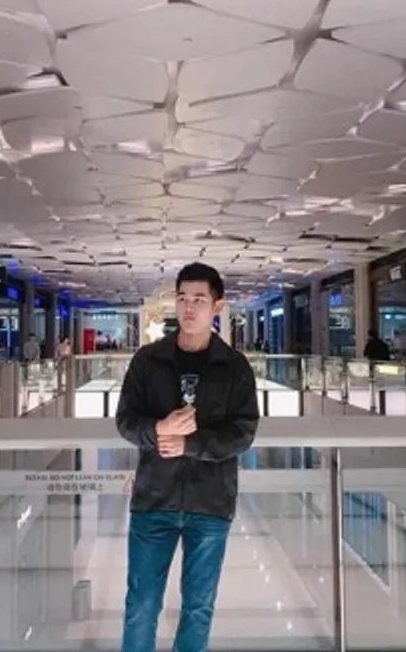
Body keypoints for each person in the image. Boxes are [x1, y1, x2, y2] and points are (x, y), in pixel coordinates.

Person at [116, 262, 260, 652]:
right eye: (183, 298)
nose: (189, 307)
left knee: (198, 608)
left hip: (210, 504)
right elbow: (126, 421)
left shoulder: (234, 367)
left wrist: (190, 444)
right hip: (153, 499)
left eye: (199, 299)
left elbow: (243, 432)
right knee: (141, 605)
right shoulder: (148, 360)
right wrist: (159, 428)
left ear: (217, 306)